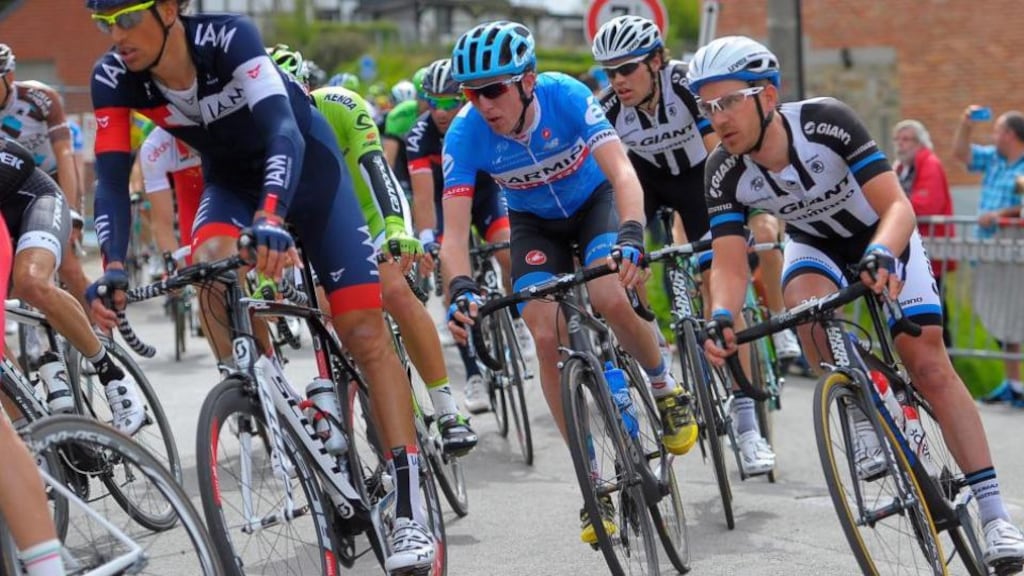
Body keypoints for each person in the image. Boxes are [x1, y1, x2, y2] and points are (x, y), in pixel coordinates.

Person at [84, 0, 434, 570]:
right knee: (210, 269)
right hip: (231, 184)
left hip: (308, 168)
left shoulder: (227, 38)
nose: (114, 35)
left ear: (169, 8)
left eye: (126, 17)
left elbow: (282, 129)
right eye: (102, 24)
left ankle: (410, 503)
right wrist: (114, 266)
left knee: (363, 331)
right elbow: (108, 178)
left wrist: (272, 215)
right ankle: (273, 400)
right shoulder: (113, 77)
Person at [691, 35, 1024, 565]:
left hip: (881, 234)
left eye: (729, 101)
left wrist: (882, 253)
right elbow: (731, 265)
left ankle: (994, 516)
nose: (718, 117)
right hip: (815, 244)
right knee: (806, 310)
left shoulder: (826, 122)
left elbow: (898, 206)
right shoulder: (723, 171)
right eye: (708, 107)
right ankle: (862, 409)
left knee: (927, 363)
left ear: (768, 97)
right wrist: (722, 316)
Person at [442, 21, 697, 544]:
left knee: (608, 295)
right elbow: (452, 234)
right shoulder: (465, 134)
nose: (483, 103)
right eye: (472, 93)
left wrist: (631, 233)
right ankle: (592, 480)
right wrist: (461, 286)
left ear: (527, 81)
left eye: (494, 89)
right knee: (543, 331)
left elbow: (623, 174)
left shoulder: (567, 96)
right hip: (534, 225)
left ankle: (663, 386)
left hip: (594, 206)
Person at [592, 15, 779, 475]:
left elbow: (721, 155)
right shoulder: (608, 108)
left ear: (656, 61)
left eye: (627, 68)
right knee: (621, 252)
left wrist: (730, 223)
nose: (618, 81)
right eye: (610, 72)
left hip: (700, 180)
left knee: (720, 291)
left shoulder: (685, 87)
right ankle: (653, 335)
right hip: (649, 183)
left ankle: (747, 423)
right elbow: (605, 182)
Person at [273, 47, 479, 456]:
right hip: (311, 232)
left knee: (395, 291)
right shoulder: (258, 132)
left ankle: (446, 409)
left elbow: (377, 168)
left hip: (370, 215)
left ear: (307, 89)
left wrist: (397, 229)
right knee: (328, 313)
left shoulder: (341, 106)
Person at [405, 57, 521, 414]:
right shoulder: (419, 137)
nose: (441, 111)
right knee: (451, 271)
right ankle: (473, 375)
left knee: (508, 251)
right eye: (433, 102)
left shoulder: (481, 122)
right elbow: (423, 197)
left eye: (449, 102)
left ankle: (518, 317)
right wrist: (428, 238)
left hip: (486, 194)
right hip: (445, 203)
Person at [0, 140, 66, 576]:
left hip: (34, 199)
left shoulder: (36, 107)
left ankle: (107, 370)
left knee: (34, 283)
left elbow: (23, 158)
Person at [0, 44, 93, 313]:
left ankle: (98, 328)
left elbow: (64, 154)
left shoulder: (39, 98)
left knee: (69, 267)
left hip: (50, 184)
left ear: (9, 77)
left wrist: (72, 209)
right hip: (11, 188)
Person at [953, 108, 1024, 405]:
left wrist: (1001, 214)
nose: (993, 136)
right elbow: (961, 154)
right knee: (1000, 315)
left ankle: (1015, 384)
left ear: (1009, 134)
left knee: (1013, 314)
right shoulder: (994, 158)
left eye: (997, 130)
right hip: (989, 249)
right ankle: (1014, 384)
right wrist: (965, 124)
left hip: (1013, 251)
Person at [892, 119, 955, 347]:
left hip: (930, 248)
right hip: (910, 247)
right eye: (897, 139)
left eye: (906, 139)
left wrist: (894, 206)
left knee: (935, 305)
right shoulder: (900, 167)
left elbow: (928, 204)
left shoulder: (930, 163)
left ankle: (944, 353)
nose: (900, 144)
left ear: (919, 142)